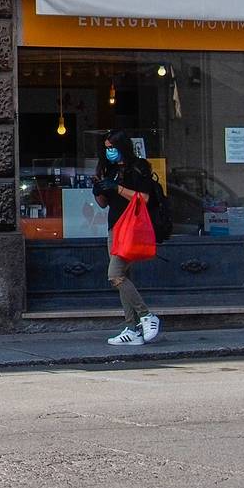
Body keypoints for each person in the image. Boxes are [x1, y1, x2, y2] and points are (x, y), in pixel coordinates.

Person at [93, 130, 162, 346]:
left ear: (122, 147)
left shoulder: (139, 167)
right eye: (106, 148)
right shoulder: (109, 169)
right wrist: (98, 189)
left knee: (114, 275)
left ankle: (146, 315)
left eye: (112, 147)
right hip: (115, 227)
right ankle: (132, 328)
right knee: (123, 276)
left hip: (132, 228)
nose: (109, 151)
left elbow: (144, 198)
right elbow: (104, 204)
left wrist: (117, 188)